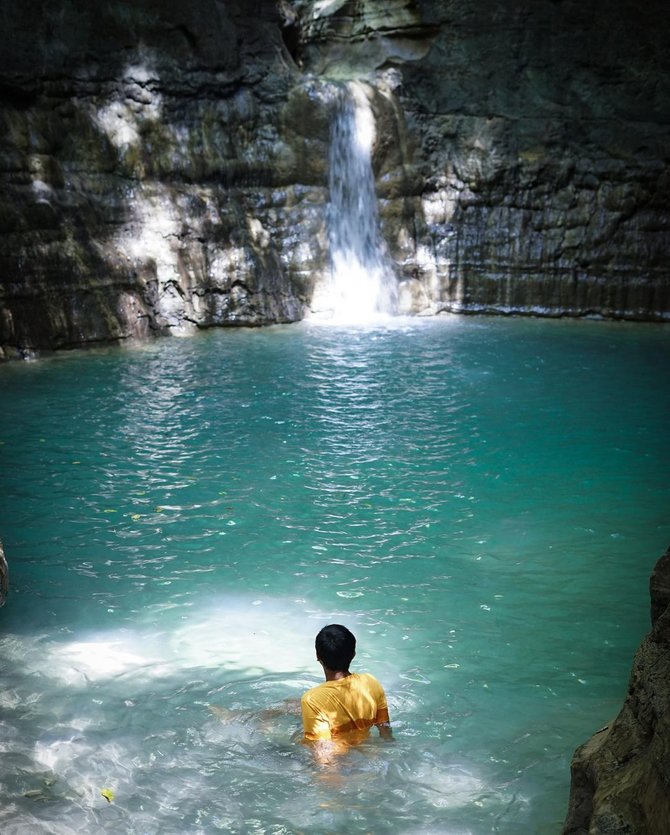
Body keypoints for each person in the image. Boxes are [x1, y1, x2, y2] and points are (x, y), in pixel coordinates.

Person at [301, 624, 392, 758]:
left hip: (341, 762)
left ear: (317, 656)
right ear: (353, 654)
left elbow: (323, 754)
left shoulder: (312, 699)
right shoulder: (370, 682)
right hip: (366, 753)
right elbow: (385, 729)